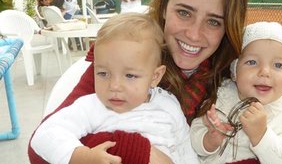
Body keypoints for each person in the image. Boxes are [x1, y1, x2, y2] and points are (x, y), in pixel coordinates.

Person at [28, 0, 282, 163]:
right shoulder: (125, 57)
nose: (193, 34)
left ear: (228, 26)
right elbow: (37, 151)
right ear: (164, 5)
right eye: (184, 12)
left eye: (213, 21)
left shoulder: (230, 70)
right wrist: (143, 154)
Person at [31, 13, 198, 164]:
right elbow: (44, 134)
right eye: (103, 73)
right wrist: (81, 156)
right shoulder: (92, 106)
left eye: (130, 76)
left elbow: (185, 149)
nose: (114, 86)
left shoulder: (169, 105)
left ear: (155, 77)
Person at [191, 22, 282, 164]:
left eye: (278, 65)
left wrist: (261, 136)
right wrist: (209, 140)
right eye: (252, 62)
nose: (265, 72)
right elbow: (194, 134)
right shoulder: (221, 98)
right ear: (234, 71)